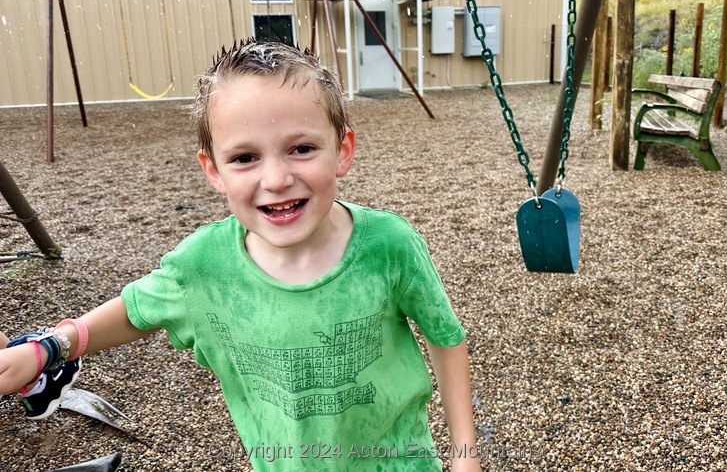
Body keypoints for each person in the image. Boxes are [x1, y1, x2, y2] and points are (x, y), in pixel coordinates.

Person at [0, 39, 480, 471]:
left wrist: (464, 456)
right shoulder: (203, 266)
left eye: (302, 148)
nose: (275, 179)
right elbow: (135, 310)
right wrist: (47, 350)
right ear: (213, 171)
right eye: (245, 157)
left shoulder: (388, 245)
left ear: (343, 151)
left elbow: (445, 337)